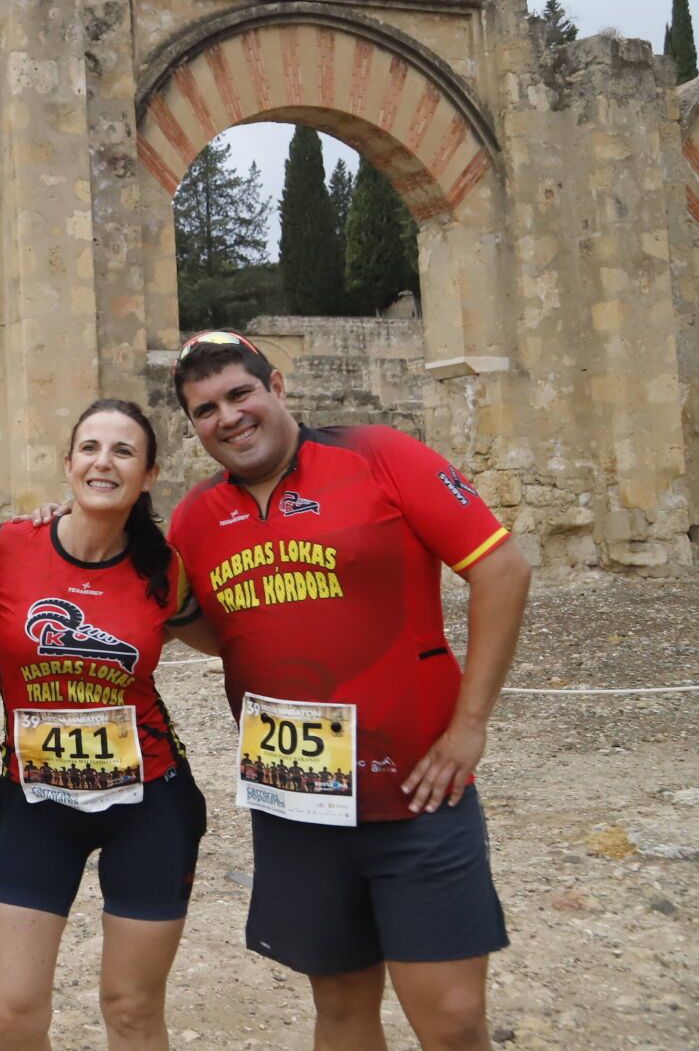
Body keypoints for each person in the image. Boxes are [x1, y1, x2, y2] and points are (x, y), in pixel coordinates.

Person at [164, 330, 530, 1050]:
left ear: (276, 386)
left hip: (419, 787)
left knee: (453, 1019)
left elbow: (502, 569)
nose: (228, 417)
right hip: (298, 796)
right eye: (205, 409)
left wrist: (470, 725)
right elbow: (213, 626)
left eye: (240, 393)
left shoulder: (379, 454)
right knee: (339, 1013)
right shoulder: (194, 518)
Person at [0, 400, 212, 1051]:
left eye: (123, 450)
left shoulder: (161, 567)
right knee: (11, 1010)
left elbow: (229, 639)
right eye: (90, 447)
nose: (103, 460)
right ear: (68, 463)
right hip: (37, 797)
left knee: (132, 1008)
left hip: (149, 797)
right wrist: (22, 686)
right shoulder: (11, 545)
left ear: (148, 475)